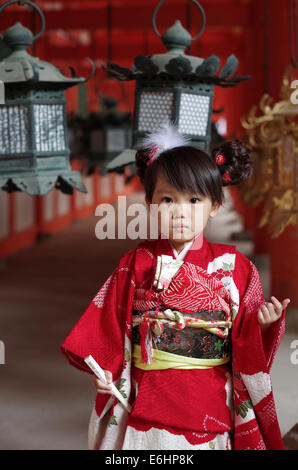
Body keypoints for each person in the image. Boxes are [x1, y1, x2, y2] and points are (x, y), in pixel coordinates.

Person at [61, 122, 290, 450]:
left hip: (208, 399)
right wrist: (105, 370)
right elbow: (108, 325)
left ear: (214, 207)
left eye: (194, 200)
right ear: (151, 204)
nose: (180, 212)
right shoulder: (134, 263)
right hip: (148, 394)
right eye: (167, 199)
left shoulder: (237, 269)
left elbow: (247, 344)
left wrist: (263, 327)